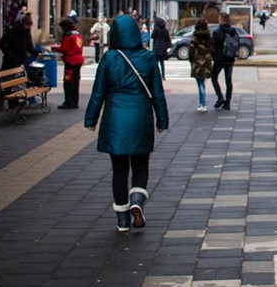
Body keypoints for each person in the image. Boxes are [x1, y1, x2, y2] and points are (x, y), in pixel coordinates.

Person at [84, 15, 168, 233]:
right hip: (140, 116)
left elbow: (98, 93)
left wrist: (91, 120)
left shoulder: (109, 58)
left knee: (119, 170)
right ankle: (137, 201)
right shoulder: (148, 58)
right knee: (141, 163)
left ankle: (122, 221)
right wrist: (162, 119)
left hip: (115, 119)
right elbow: (157, 92)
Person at [51, 17, 84, 109]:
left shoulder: (68, 35)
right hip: (78, 60)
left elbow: (64, 49)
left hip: (70, 61)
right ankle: (75, 102)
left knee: (68, 82)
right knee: (76, 82)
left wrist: (55, 48)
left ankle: (68, 102)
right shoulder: (78, 34)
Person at [211, 13, 239, 110]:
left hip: (219, 59)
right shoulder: (233, 31)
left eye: (219, 18)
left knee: (214, 78)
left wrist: (212, 56)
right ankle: (227, 103)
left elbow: (213, 46)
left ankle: (220, 97)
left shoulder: (216, 32)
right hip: (230, 59)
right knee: (228, 81)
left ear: (222, 20)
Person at [188, 19, 214, 112]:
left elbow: (190, 51)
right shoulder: (209, 37)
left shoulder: (194, 38)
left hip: (197, 62)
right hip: (206, 61)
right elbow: (212, 49)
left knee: (200, 84)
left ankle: (203, 103)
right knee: (202, 83)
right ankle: (201, 103)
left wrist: (191, 60)